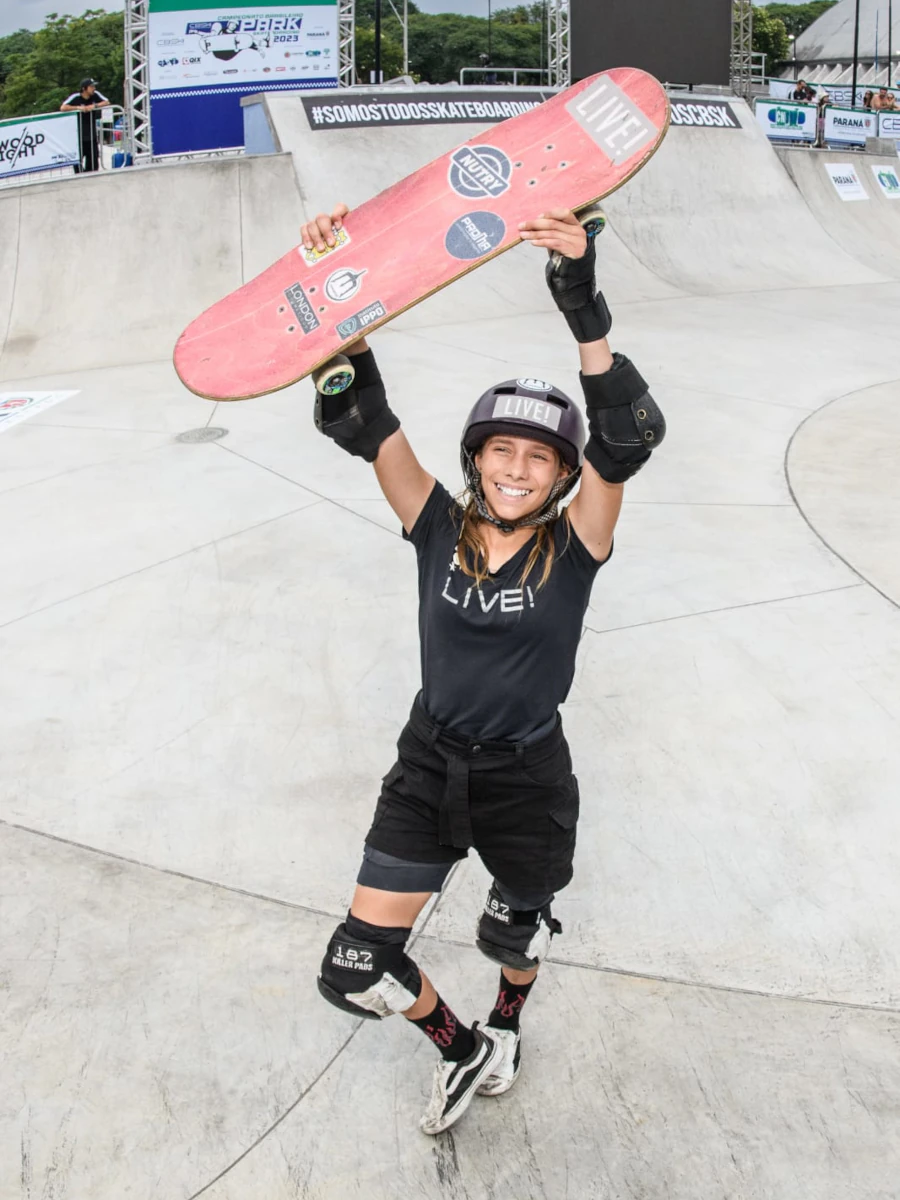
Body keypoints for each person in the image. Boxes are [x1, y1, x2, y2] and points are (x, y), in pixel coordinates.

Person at [305, 200, 666, 1135]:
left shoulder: (579, 542)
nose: (516, 468)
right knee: (355, 963)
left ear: (559, 479)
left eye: (538, 458)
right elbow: (364, 415)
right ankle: (461, 1044)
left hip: (526, 777)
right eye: (501, 450)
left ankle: (508, 1023)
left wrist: (580, 297)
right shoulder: (436, 524)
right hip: (427, 767)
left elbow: (623, 435)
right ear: (477, 459)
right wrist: (334, 285)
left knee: (512, 933)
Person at [60, 79, 110, 173]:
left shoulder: (95, 95)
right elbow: (63, 107)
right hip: (78, 135)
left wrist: (94, 106)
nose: (94, 88)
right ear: (84, 88)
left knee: (93, 162)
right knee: (78, 161)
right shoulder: (76, 97)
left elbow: (106, 102)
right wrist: (78, 107)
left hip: (91, 134)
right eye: (91, 87)